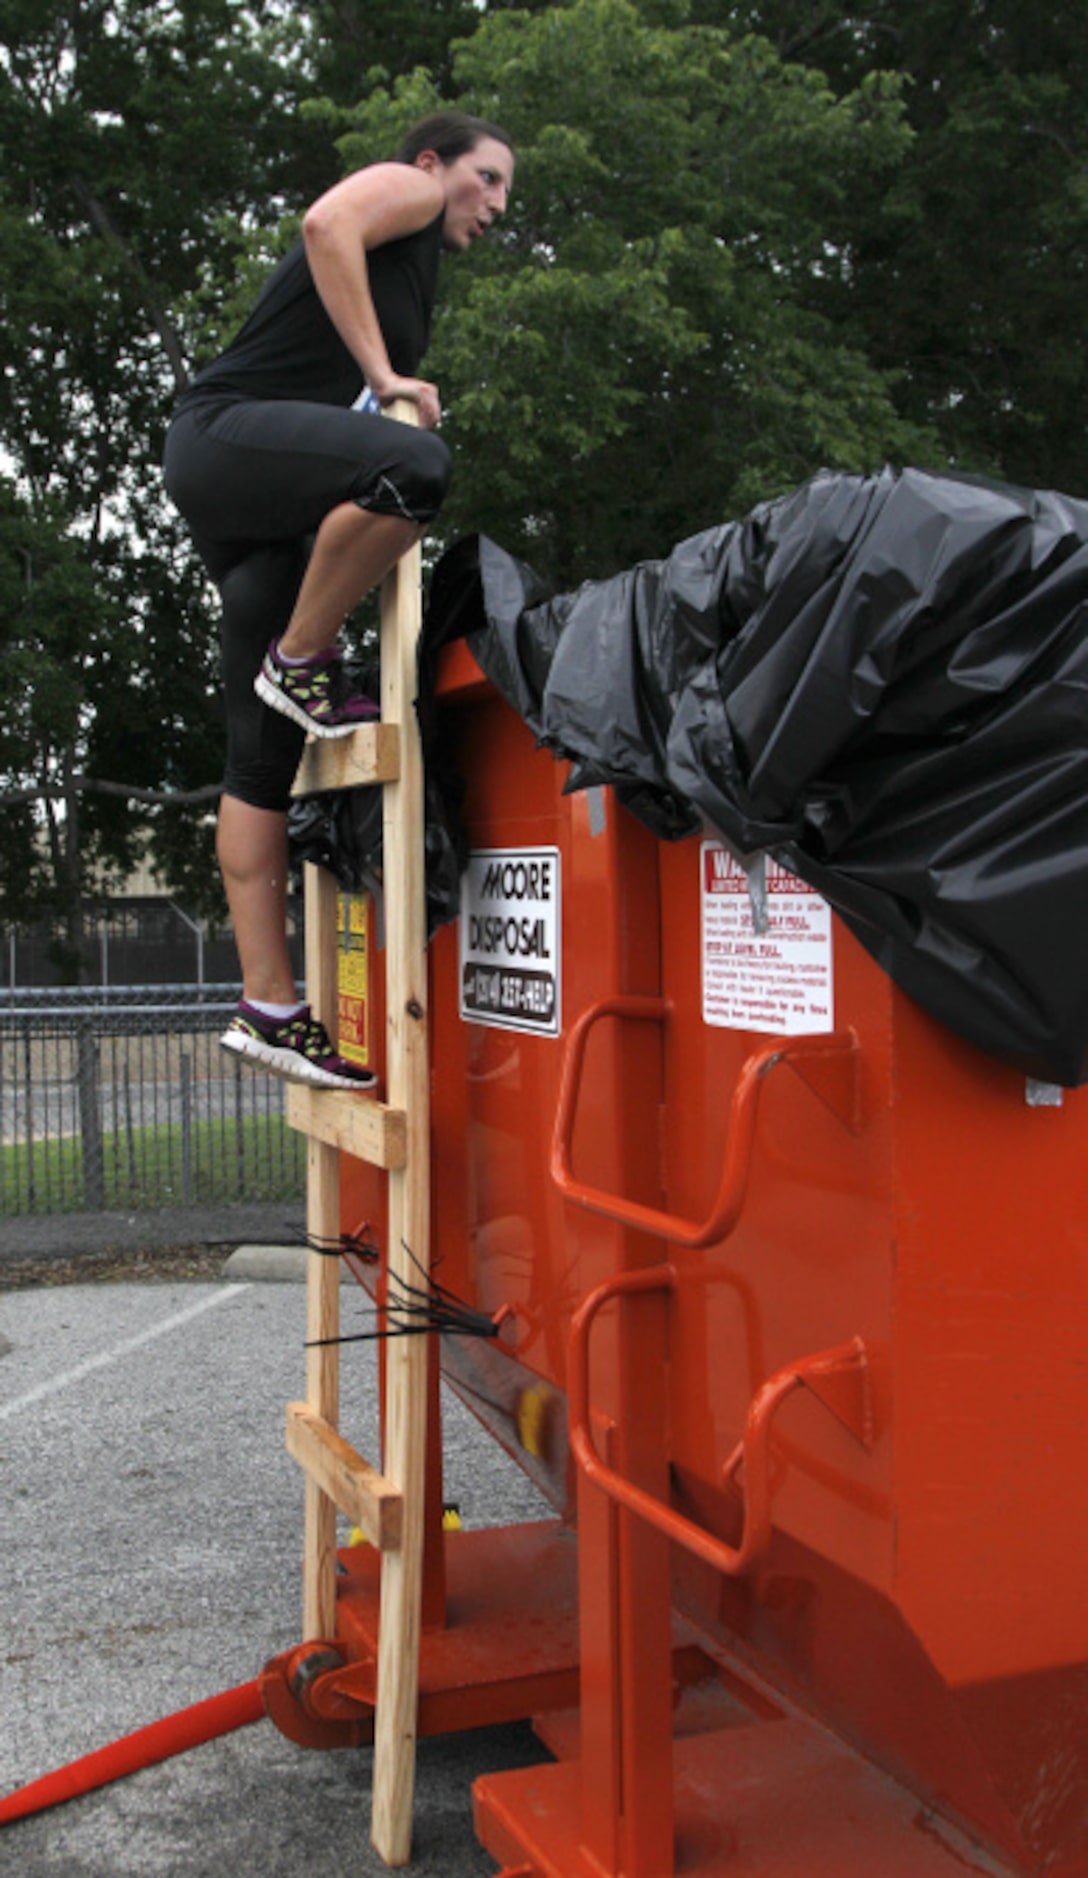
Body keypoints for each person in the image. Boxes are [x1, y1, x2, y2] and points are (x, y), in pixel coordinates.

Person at [163, 112, 515, 1092]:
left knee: (259, 763)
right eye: (485, 179)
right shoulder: (403, 190)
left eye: (503, 194)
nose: (494, 205)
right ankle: (303, 657)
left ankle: (269, 1005)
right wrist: (382, 376)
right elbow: (325, 225)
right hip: (222, 436)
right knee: (415, 467)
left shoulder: (417, 267)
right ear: (434, 163)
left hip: (261, 522)